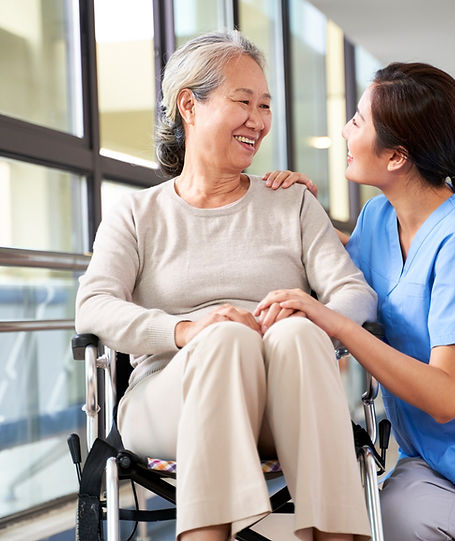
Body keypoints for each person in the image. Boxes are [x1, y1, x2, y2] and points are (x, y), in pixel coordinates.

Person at [256, 62, 455, 541]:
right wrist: (301, 211)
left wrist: (337, 324)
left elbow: (446, 396)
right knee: (396, 517)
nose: (346, 129)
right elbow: (342, 266)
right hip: (433, 458)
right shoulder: (378, 216)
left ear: (396, 157)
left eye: (358, 121)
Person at [75, 31, 377, 541]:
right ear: (189, 105)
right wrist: (189, 330)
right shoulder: (137, 213)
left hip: (282, 402)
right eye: (243, 102)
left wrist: (305, 314)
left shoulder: (292, 202)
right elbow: (94, 307)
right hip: (171, 400)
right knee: (225, 338)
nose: (258, 121)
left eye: (265, 106)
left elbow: (355, 292)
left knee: (300, 334)